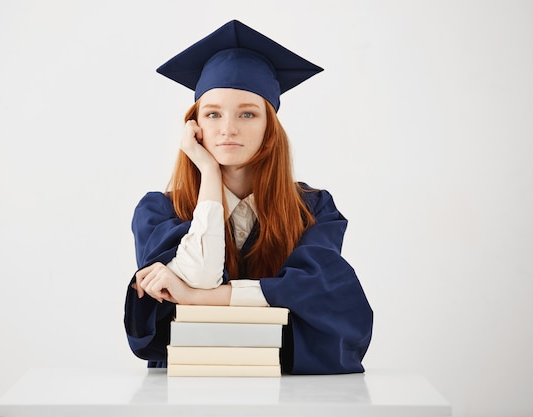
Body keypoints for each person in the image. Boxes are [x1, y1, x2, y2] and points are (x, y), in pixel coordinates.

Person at [124, 19, 373, 375]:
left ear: (270, 127)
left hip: (288, 389)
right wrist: (208, 173)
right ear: (194, 127)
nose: (228, 128)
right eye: (212, 114)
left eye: (247, 113)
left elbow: (325, 298)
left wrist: (199, 299)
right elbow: (200, 274)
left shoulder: (313, 210)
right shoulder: (160, 211)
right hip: (186, 388)